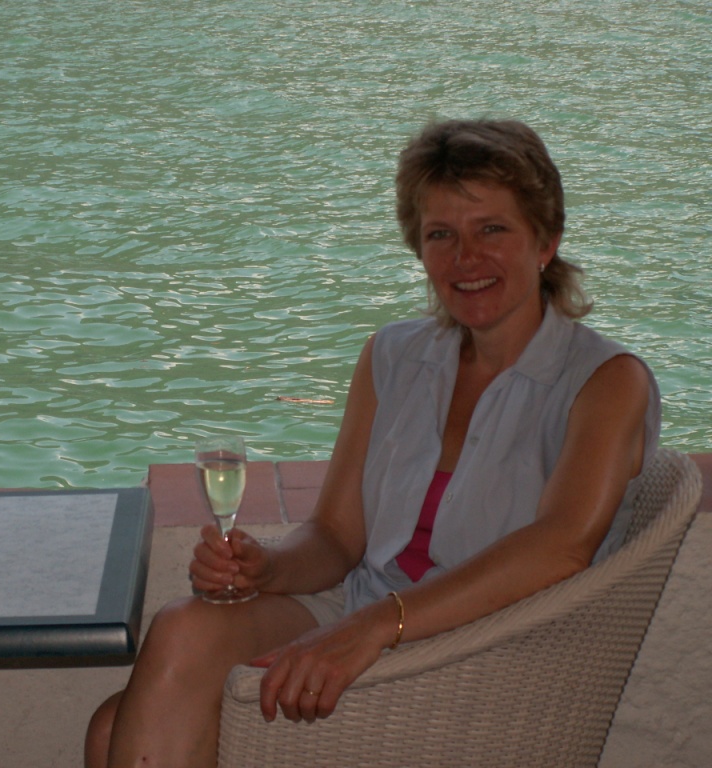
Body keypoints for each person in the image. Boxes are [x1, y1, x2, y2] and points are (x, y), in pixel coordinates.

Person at [84, 118, 661, 768]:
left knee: (115, 731)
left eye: (492, 230)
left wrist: (376, 626)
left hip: (484, 643)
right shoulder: (392, 356)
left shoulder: (605, 381)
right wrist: (266, 566)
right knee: (175, 637)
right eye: (441, 235)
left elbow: (561, 547)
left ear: (545, 241)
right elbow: (337, 537)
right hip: (364, 607)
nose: (465, 258)